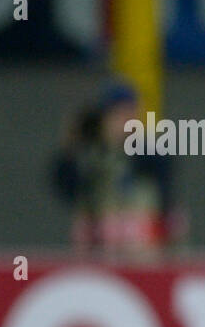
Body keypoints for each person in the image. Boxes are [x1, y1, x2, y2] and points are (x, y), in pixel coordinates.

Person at [52, 80, 181, 255]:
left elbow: (166, 197)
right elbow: (71, 189)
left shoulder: (151, 154)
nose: (126, 120)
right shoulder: (89, 156)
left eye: (130, 113)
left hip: (141, 248)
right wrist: (70, 148)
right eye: (119, 114)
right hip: (100, 247)